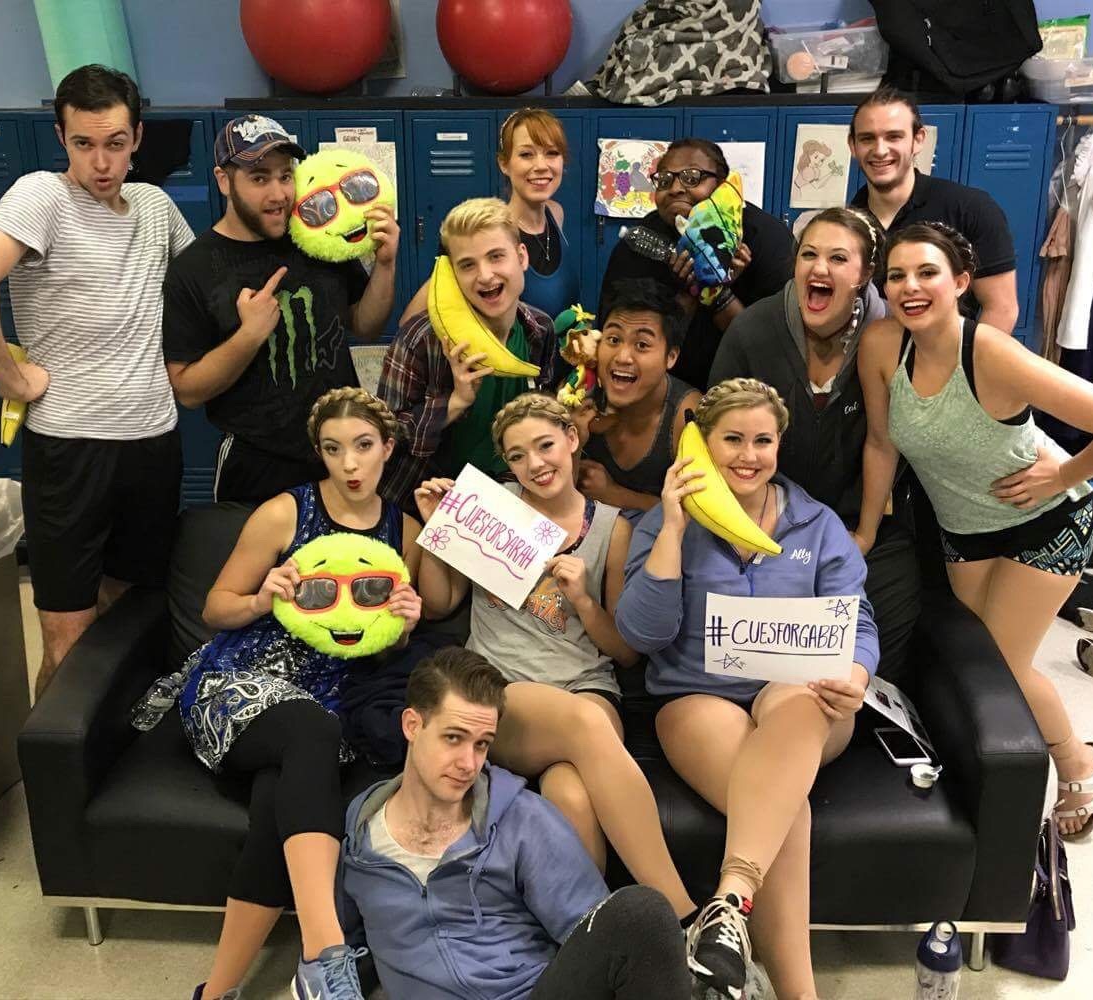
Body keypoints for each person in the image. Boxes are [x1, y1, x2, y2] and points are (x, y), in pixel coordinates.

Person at [854, 223, 1093, 841]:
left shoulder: (990, 351)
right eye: (897, 275)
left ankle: (1076, 758)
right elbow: (881, 443)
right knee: (980, 659)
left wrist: (1061, 473)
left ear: (961, 283)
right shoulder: (882, 346)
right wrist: (863, 531)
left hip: (1047, 522)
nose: (910, 287)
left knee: (1005, 667)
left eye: (927, 273)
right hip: (966, 531)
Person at [128, 388, 424, 1000]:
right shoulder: (285, 512)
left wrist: (406, 620)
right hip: (238, 685)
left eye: (364, 446)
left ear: (388, 449)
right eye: (334, 449)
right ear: (318, 453)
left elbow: (395, 634)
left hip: (328, 703)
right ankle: (327, 949)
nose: (349, 464)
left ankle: (215, 994)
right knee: (311, 731)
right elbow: (214, 607)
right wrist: (263, 598)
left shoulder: (406, 530)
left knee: (277, 804)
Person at [617, 379, 880, 1000]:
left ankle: (729, 900)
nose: (748, 454)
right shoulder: (662, 523)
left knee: (795, 709)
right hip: (697, 697)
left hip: (804, 693)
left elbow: (858, 621)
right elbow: (640, 634)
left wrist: (858, 675)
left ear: (779, 446)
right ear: (702, 447)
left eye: (763, 440)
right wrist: (677, 529)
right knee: (786, 806)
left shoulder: (817, 526)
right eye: (731, 439)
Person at [0, 64, 193, 697]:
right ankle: (54, 784)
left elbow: (202, 284)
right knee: (68, 637)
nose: (100, 162)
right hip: (72, 448)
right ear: (61, 137)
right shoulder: (41, 197)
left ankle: (115, 764)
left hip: (152, 441)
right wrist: (14, 377)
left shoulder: (157, 209)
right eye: (83, 144)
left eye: (113, 143)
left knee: (131, 616)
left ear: (137, 137)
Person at [413, 394, 697, 921]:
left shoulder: (613, 527)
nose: (535, 464)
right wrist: (435, 532)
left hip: (585, 689)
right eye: (517, 456)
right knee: (585, 725)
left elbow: (625, 651)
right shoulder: (487, 507)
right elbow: (438, 604)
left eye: (545, 445)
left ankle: (586, 935)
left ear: (572, 439)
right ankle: (682, 916)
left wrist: (585, 601)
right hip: (496, 690)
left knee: (571, 793)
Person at [337, 646, 693, 1000]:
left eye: (481, 745)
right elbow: (340, 947)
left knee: (642, 913)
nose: (468, 763)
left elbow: (586, 931)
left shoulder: (523, 818)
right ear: (412, 725)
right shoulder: (360, 832)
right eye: (454, 738)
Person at [710, 208, 918, 677]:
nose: (819, 268)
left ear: (865, 274)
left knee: (890, 592)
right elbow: (715, 431)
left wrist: (863, 534)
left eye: (838, 258)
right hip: (759, 515)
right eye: (809, 255)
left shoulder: (888, 340)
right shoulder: (754, 330)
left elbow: (884, 443)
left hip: (849, 516)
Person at [162, 115, 399, 504]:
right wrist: (248, 337)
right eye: (259, 178)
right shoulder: (193, 270)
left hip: (339, 453)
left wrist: (385, 266)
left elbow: (365, 325)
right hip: (257, 464)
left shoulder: (316, 236)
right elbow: (187, 390)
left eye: (285, 176)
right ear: (224, 180)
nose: (278, 194)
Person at [378, 197, 556, 508]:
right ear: (450, 275)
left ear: (522, 256)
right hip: (425, 502)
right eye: (467, 265)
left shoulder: (539, 329)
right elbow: (382, 435)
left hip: (512, 502)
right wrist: (455, 402)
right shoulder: (421, 339)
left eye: (496, 257)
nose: (485, 276)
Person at [599, 138, 794, 391]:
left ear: (723, 186)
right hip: (666, 390)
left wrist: (716, 291)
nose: (675, 188)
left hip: (747, 392)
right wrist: (691, 290)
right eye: (665, 180)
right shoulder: (640, 243)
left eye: (692, 177)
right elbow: (628, 344)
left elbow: (768, 353)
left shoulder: (765, 237)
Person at [848, 87, 1020, 333]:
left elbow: (1002, 309)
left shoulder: (970, 209)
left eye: (894, 137)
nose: (880, 150)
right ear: (852, 146)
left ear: (918, 139)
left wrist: (969, 368)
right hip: (871, 363)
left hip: (947, 363)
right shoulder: (848, 224)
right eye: (867, 138)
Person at [402, 108, 579, 324]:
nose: (541, 166)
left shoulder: (556, 213)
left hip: (558, 356)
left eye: (552, 153)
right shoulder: (487, 232)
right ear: (504, 164)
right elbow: (410, 321)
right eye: (526, 154)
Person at [577, 278, 701, 515]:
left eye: (642, 345)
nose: (623, 356)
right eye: (613, 340)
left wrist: (616, 495)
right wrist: (573, 443)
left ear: (671, 357)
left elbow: (698, 518)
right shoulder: (581, 396)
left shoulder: (687, 417)